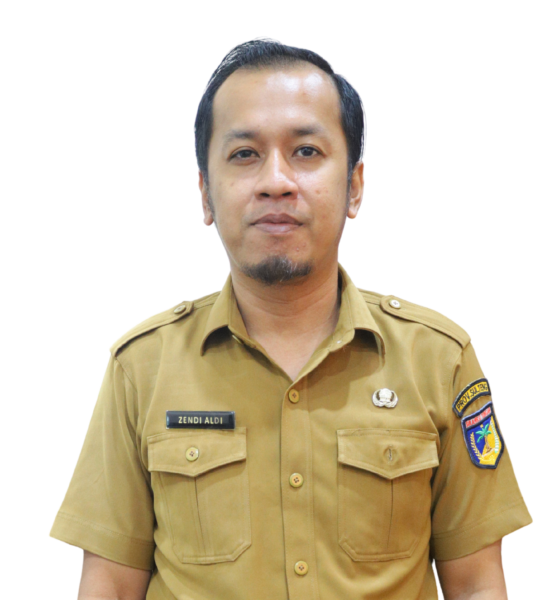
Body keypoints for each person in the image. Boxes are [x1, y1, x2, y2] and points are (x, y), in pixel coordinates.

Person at [49, 36, 533, 600]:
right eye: (244, 154)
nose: (275, 181)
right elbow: (109, 585)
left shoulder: (439, 358)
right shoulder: (141, 367)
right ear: (205, 194)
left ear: (355, 185)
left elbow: (475, 585)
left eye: (305, 151)